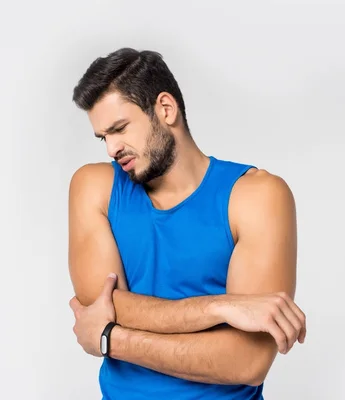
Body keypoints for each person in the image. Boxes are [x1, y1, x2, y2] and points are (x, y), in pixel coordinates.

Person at [67, 47, 307, 400]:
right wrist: (221, 306)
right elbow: (98, 303)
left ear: (165, 109)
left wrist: (111, 339)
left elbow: (246, 362)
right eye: (104, 137)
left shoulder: (256, 196)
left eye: (119, 129)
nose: (111, 149)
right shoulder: (95, 188)